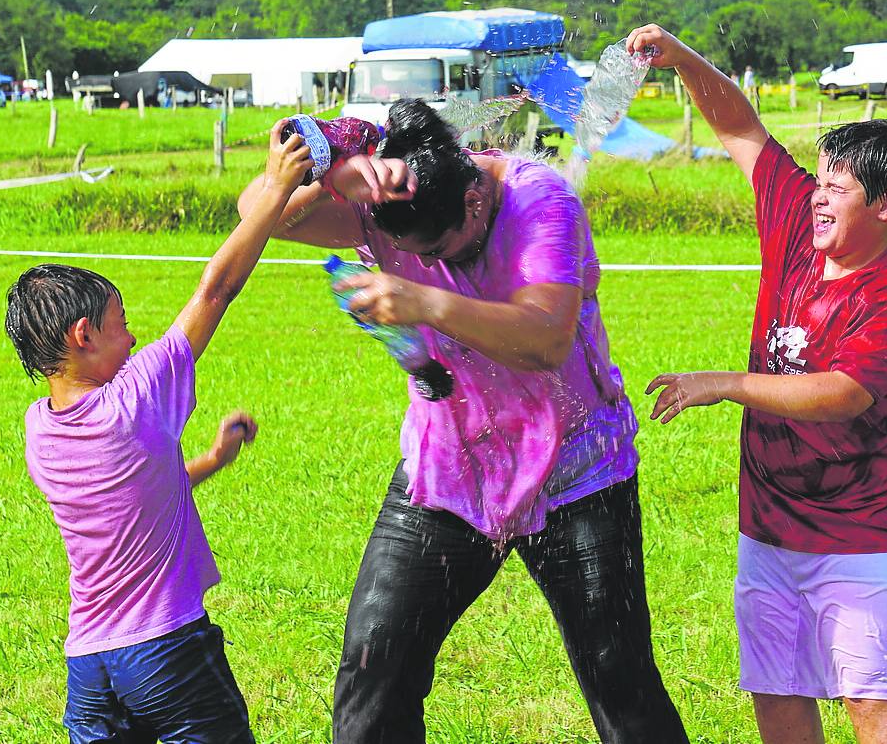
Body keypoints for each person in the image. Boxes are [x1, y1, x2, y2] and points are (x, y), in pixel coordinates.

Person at [237, 98, 688, 744]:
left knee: (620, 682)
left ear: (474, 201)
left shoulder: (540, 201)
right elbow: (259, 213)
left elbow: (545, 339)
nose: (425, 260)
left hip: (576, 475)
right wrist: (337, 157)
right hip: (449, 468)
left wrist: (425, 299)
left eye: (440, 248)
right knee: (375, 670)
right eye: (398, 248)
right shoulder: (385, 194)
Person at [627, 24, 887, 744]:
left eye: (838, 188)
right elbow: (740, 125)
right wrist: (681, 58)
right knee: (779, 692)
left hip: (863, 531)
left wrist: (730, 382)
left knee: (872, 700)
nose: (818, 198)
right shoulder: (796, 222)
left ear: (885, 205)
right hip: (769, 525)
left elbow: (844, 393)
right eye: (818, 182)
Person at [4, 121, 312, 743]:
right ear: (82, 336)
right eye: (122, 325)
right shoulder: (134, 400)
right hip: (166, 652)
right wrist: (277, 187)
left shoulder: (40, 430)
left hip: (89, 671)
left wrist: (212, 460)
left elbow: (133, 497)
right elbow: (216, 290)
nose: (135, 339)